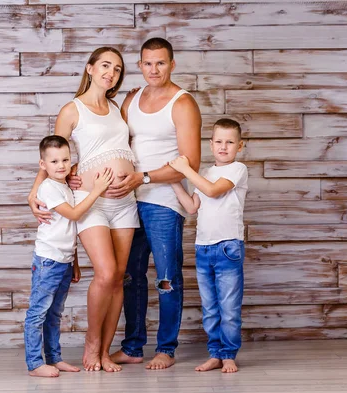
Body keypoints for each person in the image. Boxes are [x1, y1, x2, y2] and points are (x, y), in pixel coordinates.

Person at [27, 48, 139, 373]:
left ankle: (105, 351)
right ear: (90, 68)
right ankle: (92, 342)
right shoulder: (72, 109)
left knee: (118, 277)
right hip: (91, 200)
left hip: (124, 203)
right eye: (105, 66)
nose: (111, 73)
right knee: (104, 273)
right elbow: (53, 152)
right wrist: (35, 191)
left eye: (117, 69)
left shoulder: (118, 108)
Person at [107, 37, 202, 370]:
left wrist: (143, 177)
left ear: (172, 64)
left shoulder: (182, 103)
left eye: (160, 63)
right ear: (140, 65)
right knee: (130, 276)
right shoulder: (131, 99)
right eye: (147, 63)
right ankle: (133, 347)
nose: (154, 69)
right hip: (127, 203)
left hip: (163, 202)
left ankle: (166, 348)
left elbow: (190, 161)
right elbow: (114, 143)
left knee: (166, 277)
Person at [24, 135, 114, 378]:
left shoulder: (64, 186)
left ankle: (54, 358)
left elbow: (68, 229)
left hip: (62, 260)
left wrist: (73, 261)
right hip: (48, 260)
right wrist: (97, 190)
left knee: (54, 314)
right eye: (54, 161)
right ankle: (34, 363)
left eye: (65, 159)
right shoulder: (48, 187)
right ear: (43, 165)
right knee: (38, 312)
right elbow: (74, 215)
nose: (61, 165)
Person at [169, 118, 248, 373]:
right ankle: (215, 353)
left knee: (229, 308)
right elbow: (192, 206)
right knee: (210, 309)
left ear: (240, 145)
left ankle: (228, 355)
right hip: (203, 248)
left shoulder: (237, 169)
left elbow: (214, 191)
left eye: (230, 142)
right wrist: (173, 179)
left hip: (228, 248)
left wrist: (185, 169)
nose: (223, 147)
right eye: (219, 142)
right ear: (211, 144)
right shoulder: (205, 174)